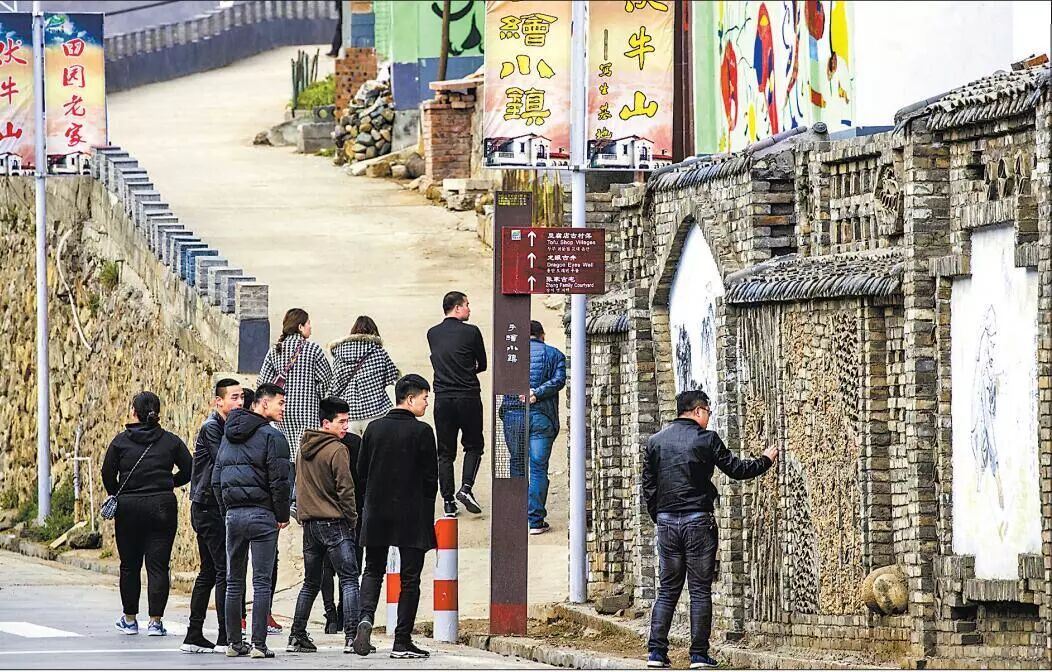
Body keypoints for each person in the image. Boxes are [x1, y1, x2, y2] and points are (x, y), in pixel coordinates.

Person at [642, 390, 778, 669]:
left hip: (667, 522)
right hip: (698, 521)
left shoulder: (655, 441)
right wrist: (765, 460)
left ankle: (656, 653)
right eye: (708, 412)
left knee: (667, 590)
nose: (709, 417)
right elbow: (736, 469)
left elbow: (649, 485)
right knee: (700, 590)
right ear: (698, 411)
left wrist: (660, 516)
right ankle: (698, 655)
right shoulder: (707, 439)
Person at [355, 374, 438, 659]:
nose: (427, 403)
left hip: (376, 512)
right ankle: (402, 641)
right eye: (424, 398)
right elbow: (431, 479)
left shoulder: (374, 429)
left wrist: (369, 503)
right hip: (411, 515)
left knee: (372, 570)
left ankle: (365, 618)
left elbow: (361, 473)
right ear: (410, 399)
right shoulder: (422, 432)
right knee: (409, 579)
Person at [102, 391, 192, 638]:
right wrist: (170, 483)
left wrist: (118, 492)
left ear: (133, 412)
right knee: (158, 566)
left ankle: (130, 620)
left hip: (129, 508)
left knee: (129, 566)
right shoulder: (171, 441)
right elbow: (190, 468)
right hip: (162, 507)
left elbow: (107, 473)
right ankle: (155, 622)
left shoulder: (120, 442)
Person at [212, 383, 292, 659]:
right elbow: (280, 481)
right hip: (262, 515)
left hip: (234, 515)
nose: (283, 408)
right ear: (263, 403)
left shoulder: (228, 435)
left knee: (234, 581)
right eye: (280, 403)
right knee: (261, 582)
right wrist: (281, 515)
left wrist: (227, 511)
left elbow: (216, 479)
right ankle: (259, 644)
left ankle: (234, 643)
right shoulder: (273, 437)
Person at [286, 398, 366, 655]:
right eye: (341, 421)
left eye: (347, 421)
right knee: (350, 579)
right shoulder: (337, 449)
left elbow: (300, 486)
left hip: (310, 524)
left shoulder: (303, 448)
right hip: (335, 522)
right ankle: (352, 637)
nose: (346, 427)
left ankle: (297, 635)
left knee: (310, 582)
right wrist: (352, 518)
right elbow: (346, 488)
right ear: (326, 423)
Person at [181, 379, 243, 653]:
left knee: (208, 571)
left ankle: (193, 634)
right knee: (222, 571)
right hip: (208, 506)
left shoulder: (223, 426)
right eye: (233, 397)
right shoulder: (212, 428)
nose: (239, 402)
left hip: (207, 505)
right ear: (219, 401)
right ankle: (224, 636)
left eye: (241, 397)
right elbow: (225, 459)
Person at [499, 320, 566, 535]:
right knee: (538, 467)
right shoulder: (554, 354)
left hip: (513, 416)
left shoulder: (510, 357)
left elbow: (501, 384)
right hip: (542, 417)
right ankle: (535, 521)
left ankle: (517, 518)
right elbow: (559, 380)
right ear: (542, 334)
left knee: (517, 463)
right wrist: (537, 393)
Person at [427, 291, 487, 518]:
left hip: (443, 398)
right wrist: (467, 370)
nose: (469, 309)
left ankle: (448, 502)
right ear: (457, 308)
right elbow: (482, 363)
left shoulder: (432, 333)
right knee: (474, 445)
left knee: (445, 452)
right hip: (468, 395)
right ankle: (466, 488)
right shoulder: (472, 332)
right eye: (467, 304)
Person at [257, 308, 332, 458]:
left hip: (282, 412)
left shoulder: (275, 350)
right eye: (308, 323)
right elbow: (326, 381)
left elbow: (263, 383)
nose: (311, 327)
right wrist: (318, 398)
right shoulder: (313, 349)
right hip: (308, 411)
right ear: (300, 327)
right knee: (306, 455)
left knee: (286, 453)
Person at [320, 429, 364, 636]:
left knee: (326, 568)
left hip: (323, 511)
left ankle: (331, 615)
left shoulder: (317, 444)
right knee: (350, 569)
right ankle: (345, 614)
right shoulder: (355, 443)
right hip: (353, 511)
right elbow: (361, 479)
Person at [329, 315, 400, 437]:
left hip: (349, 415)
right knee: (375, 448)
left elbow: (335, 384)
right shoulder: (379, 353)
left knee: (352, 448)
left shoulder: (339, 354)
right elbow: (392, 377)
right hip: (376, 412)